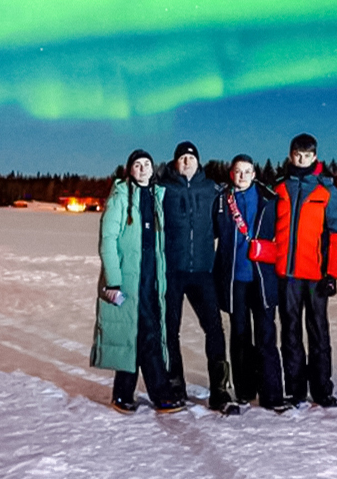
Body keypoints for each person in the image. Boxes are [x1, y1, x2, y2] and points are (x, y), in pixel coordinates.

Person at [91, 149, 185, 413]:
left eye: (147, 164)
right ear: (129, 170)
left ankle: (122, 394)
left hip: (151, 278)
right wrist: (114, 280)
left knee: (139, 333)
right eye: (137, 165)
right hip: (128, 280)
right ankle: (160, 394)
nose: (143, 169)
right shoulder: (120, 196)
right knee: (146, 335)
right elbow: (108, 240)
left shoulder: (156, 195)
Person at [273, 133, 337, 408]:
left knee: (318, 332)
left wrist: (332, 274)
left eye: (307, 155)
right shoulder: (279, 188)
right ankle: (295, 389)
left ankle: (322, 390)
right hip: (287, 275)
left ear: (315, 156)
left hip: (315, 276)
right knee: (290, 332)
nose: (301, 159)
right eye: (297, 154)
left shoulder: (327, 191)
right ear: (290, 154)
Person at [158, 140, 232, 410]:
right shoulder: (163, 189)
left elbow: (221, 224)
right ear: (175, 162)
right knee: (170, 329)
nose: (187, 161)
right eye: (182, 158)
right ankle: (175, 383)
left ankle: (220, 389)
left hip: (203, 271)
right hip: (173, 271)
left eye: (191, 157)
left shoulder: (212, 189)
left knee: (214, 328)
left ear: (198, 161)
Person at [213, 154, 288, 413]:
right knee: (240, 335)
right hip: (235, 279)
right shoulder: (222, 200)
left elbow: (285, 232)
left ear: (254, 174)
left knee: (267, 335)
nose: (242, 176)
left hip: (263, 278)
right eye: (237, 171)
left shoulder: (270, 199)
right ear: (231, 174)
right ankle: (245, 390)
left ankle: (272, 394)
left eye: (247, 171)